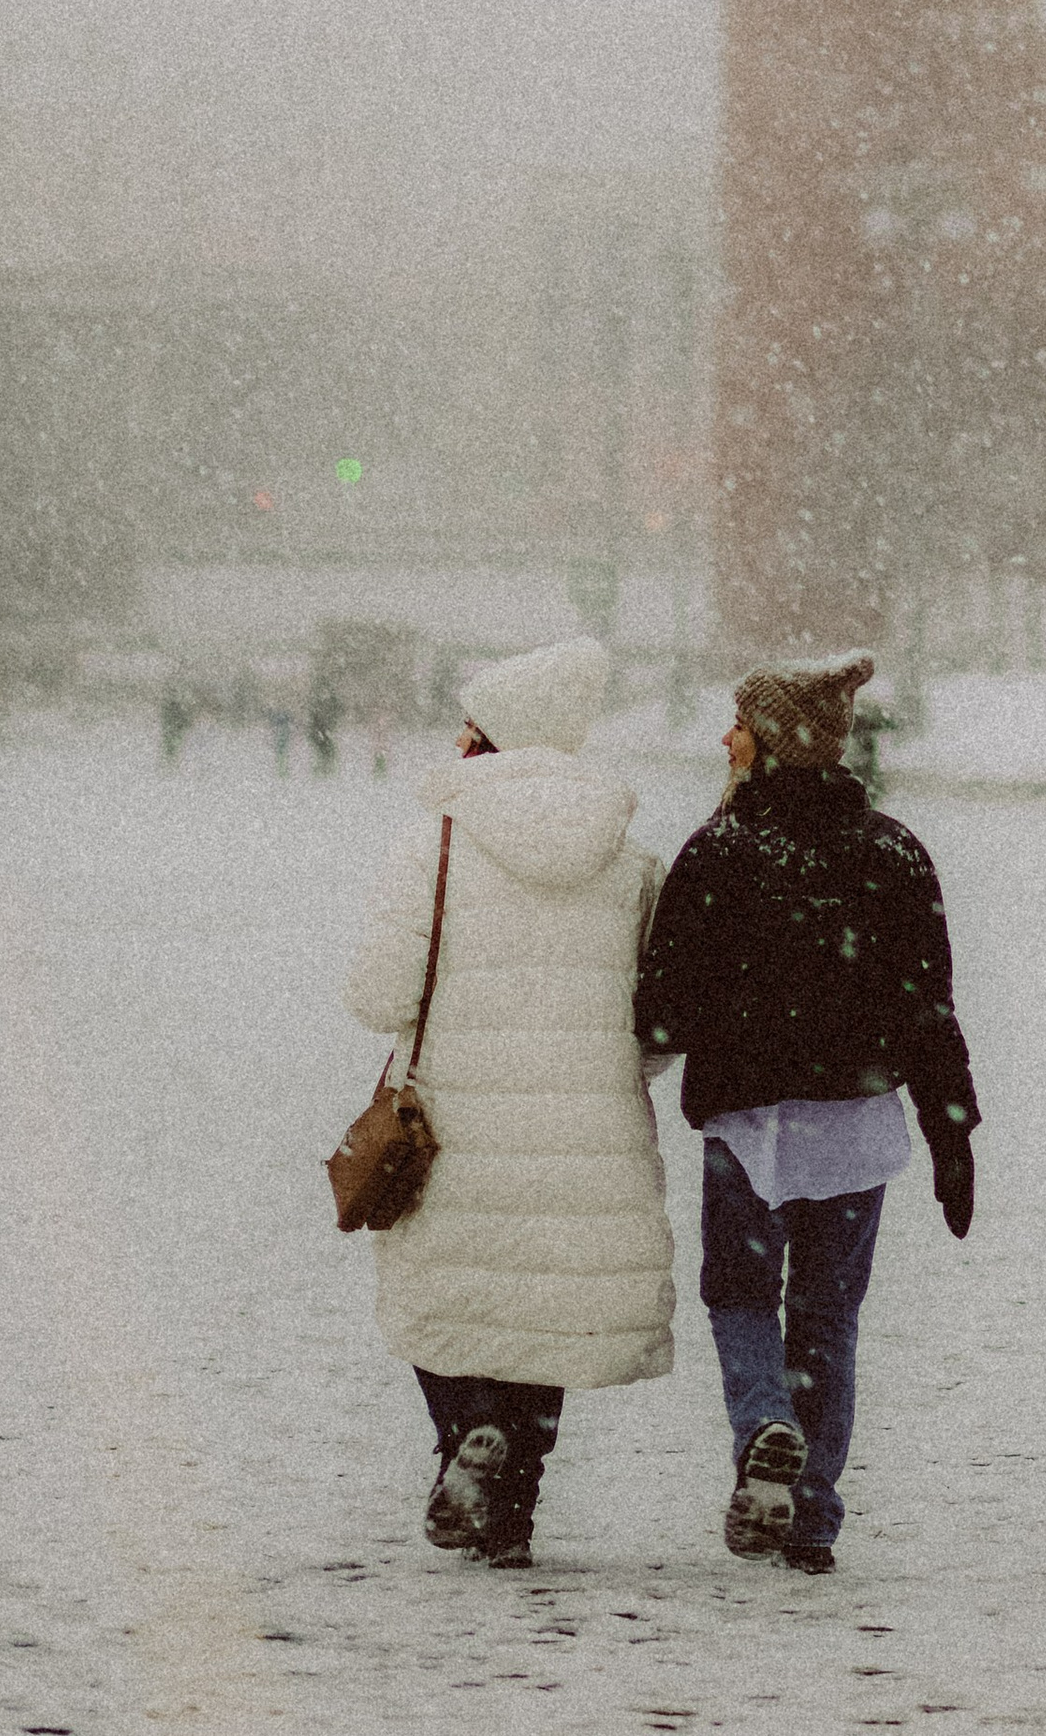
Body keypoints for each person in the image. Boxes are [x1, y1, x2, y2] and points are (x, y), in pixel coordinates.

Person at [635, 652, 977, 1577]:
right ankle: (813, 1517)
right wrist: (953, 1135)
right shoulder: (894, 850)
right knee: (828, 1318)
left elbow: (663, 1009)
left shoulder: (722, 851)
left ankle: (763, 1425)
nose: (725, 735)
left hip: (750, 1129)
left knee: (739, 1294)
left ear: (771, 741)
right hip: (857, 1131)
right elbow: (928, 1005)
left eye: (739, 721)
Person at [344, 636, 673, 1571]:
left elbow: (377, 995)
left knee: (445, 1300)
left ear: (490, 740)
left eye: (469, 725)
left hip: (453, 1125)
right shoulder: (626, 855)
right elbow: (657, 1017)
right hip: (590, 1128)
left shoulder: (433, 841)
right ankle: (511, 1502)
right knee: (545, 1312)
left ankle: (468, 1432)